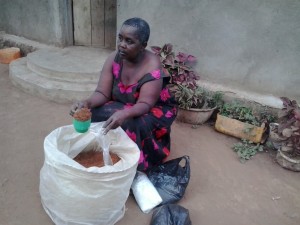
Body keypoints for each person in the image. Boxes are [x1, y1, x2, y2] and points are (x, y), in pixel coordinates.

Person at [70, 17, 177, 171]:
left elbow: (145, 104)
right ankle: (101, 150)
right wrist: (87, 103)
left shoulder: (152, 65)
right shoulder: (114, 58)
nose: (121, 45)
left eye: (129, 41)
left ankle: (135, 166)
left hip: (149, 108)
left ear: (143, 45)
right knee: (90, 113)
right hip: (122, 103)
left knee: (131, 123)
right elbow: (102, 93)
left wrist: (125, 114)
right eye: (120, 38)